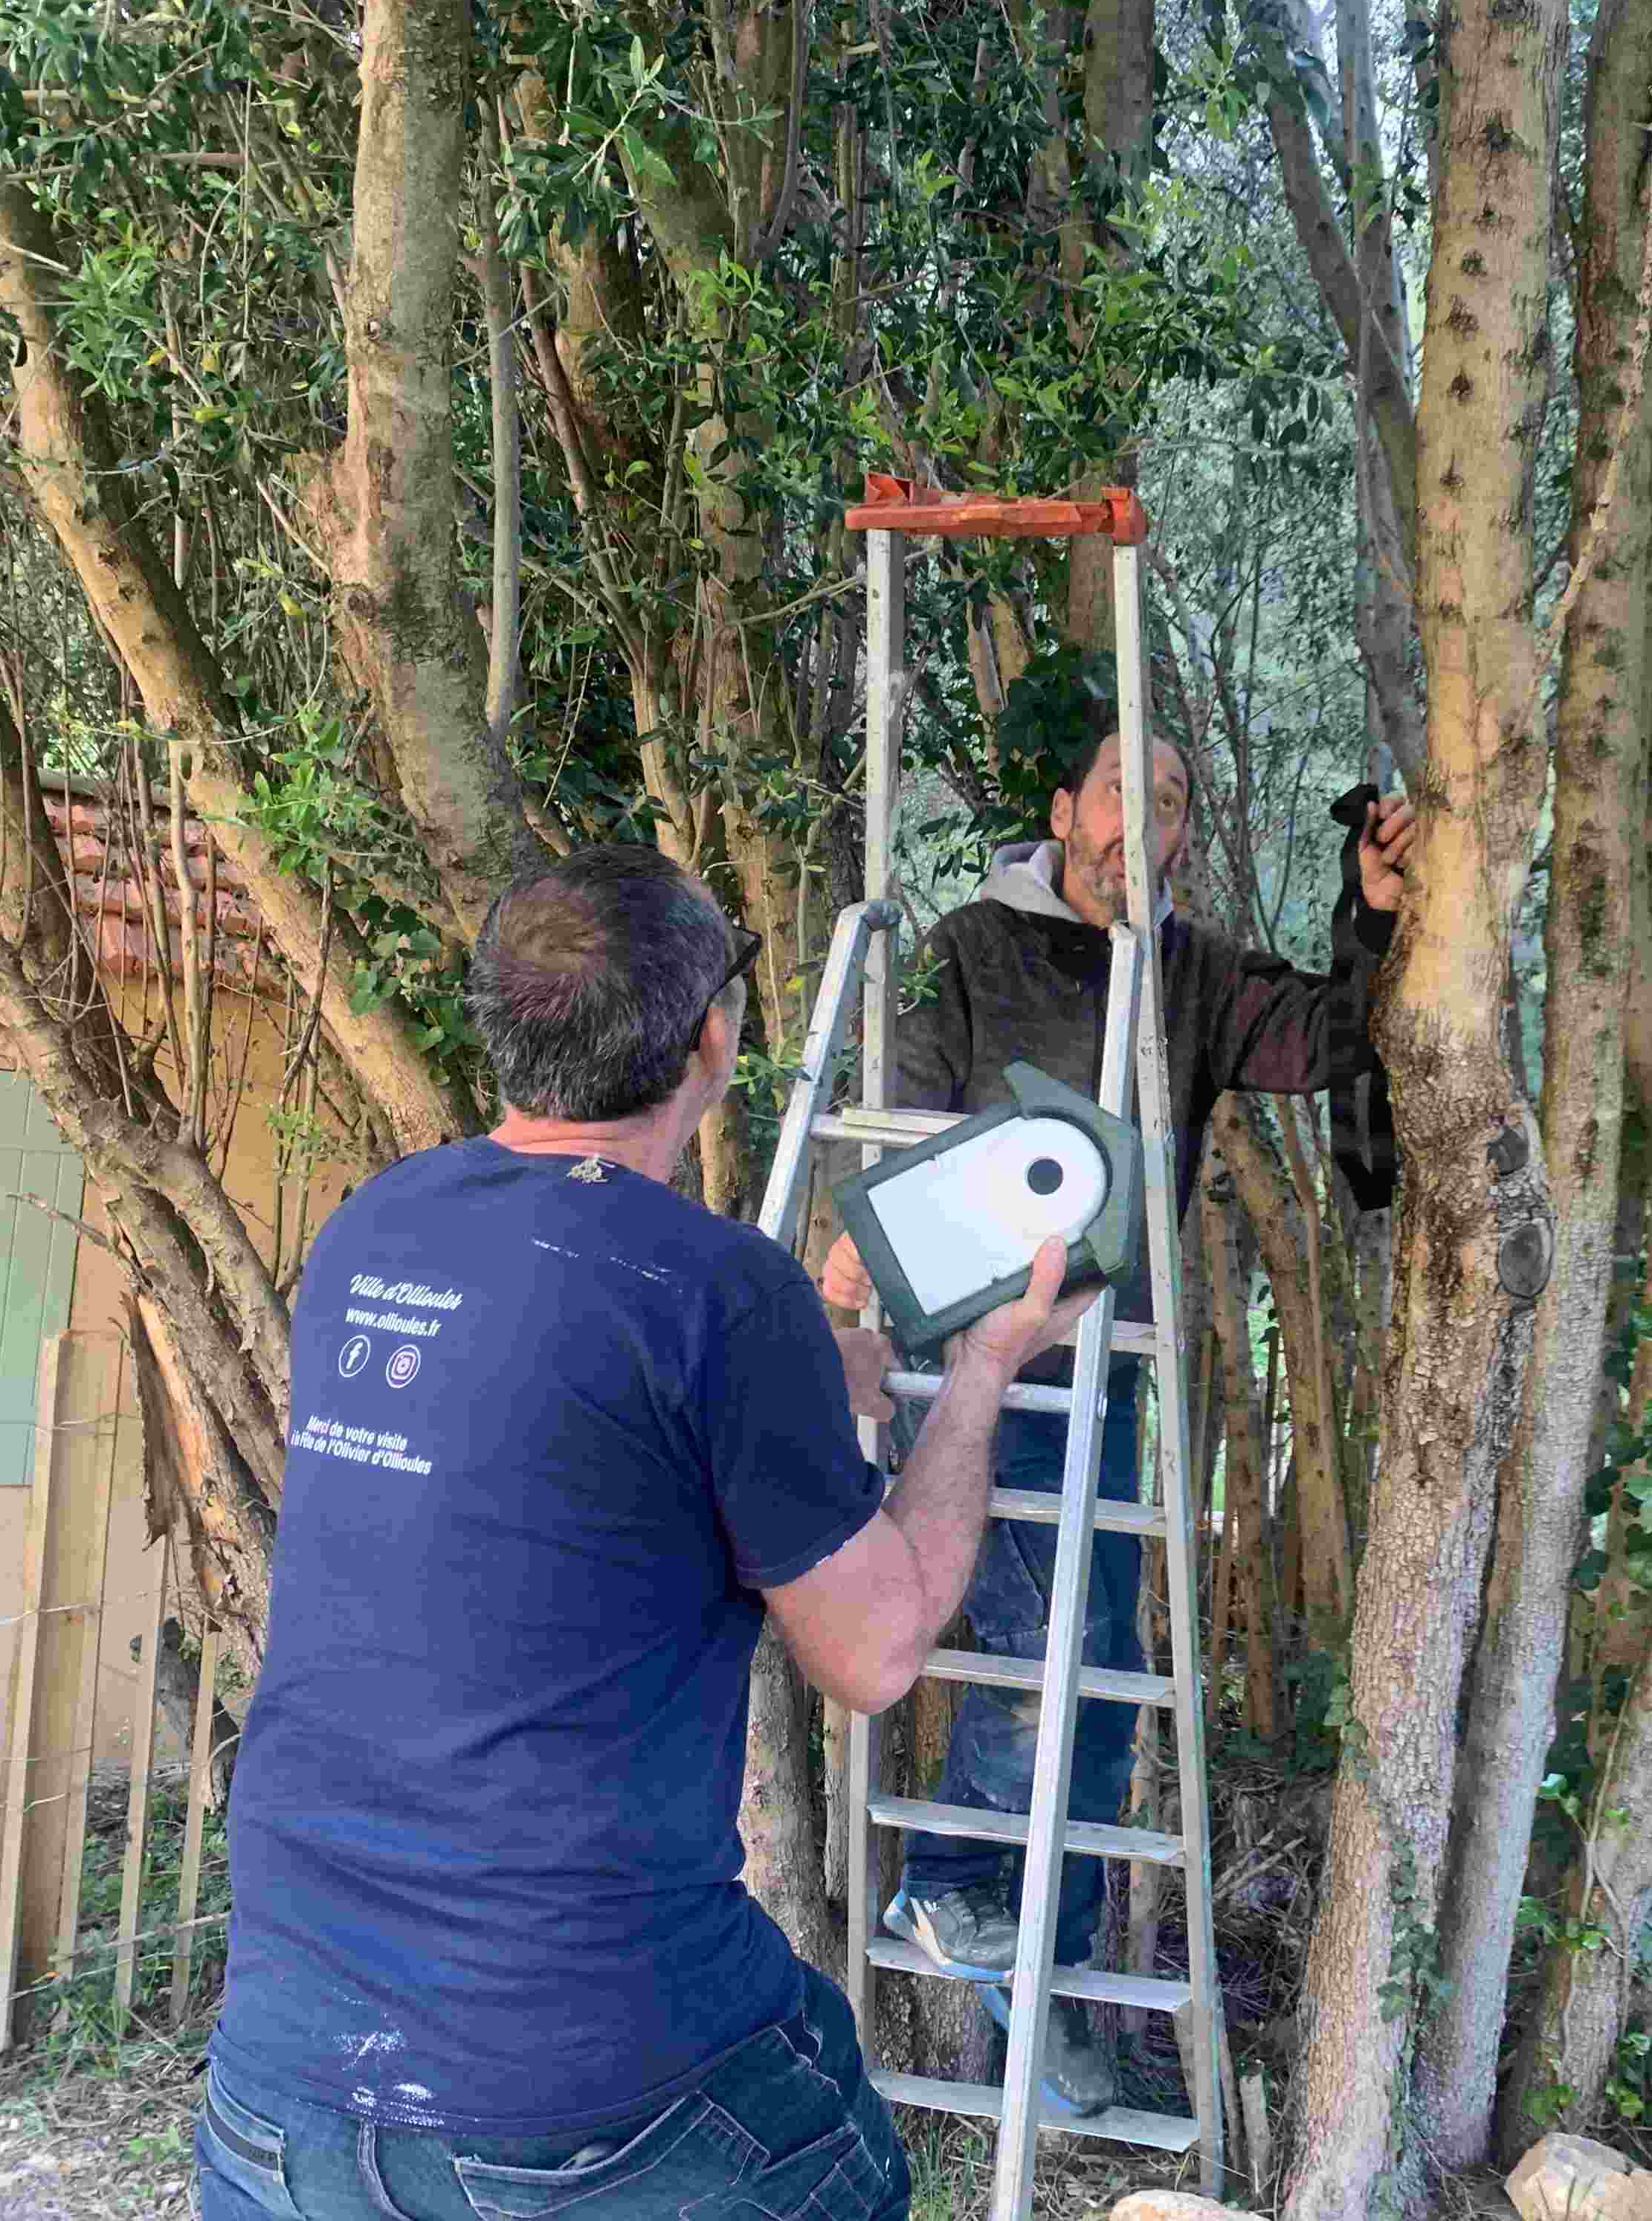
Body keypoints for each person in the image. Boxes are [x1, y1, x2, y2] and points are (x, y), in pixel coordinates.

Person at [198, 843, 1095, 2221]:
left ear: (499, 1024)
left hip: (277, 2081)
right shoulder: (722, 1297)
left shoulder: (377, 1228)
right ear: (712, 1039)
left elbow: (558, 1442)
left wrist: (806, 1385)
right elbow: (880, 1650)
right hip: (573, 2087)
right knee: (841, 2166)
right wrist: (982, 1372)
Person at [816, 720, 1413, 2113]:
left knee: (1090, 1667)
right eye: (1120, 797)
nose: (1143, 826)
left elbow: (1331, 1035)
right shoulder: (974, 946)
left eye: (1171, 806)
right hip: (980, 1364)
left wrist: (1368, 916)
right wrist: (864, 1312)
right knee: (1042, 1650)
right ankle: (957, 1886)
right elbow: (897, 1135)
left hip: (1113, 1365)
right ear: (1063, 808)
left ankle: (1047, 1971)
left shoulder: (1190, 971)